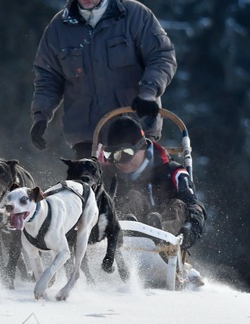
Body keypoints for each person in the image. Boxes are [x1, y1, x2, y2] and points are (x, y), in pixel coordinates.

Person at [29, 0, 177, 159]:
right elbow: (48, 78)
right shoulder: (58, 29)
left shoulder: (135, 15)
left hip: (135, 130)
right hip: (87, 139)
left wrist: (149, 92)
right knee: (84, 183)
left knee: (138, 182)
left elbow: (161, 56)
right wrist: (41, 116)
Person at [103, 116, 206, 285]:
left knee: (178, 206)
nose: (118, 161)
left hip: (167, 241)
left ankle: (159, 232)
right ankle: (130, 227)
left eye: (125, 154)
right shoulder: (109, 175)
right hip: (122, 241)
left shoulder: (172, 172)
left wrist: (190, 229)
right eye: (111, 155)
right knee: (131, 198)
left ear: (141, 146)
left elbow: (194, 206)